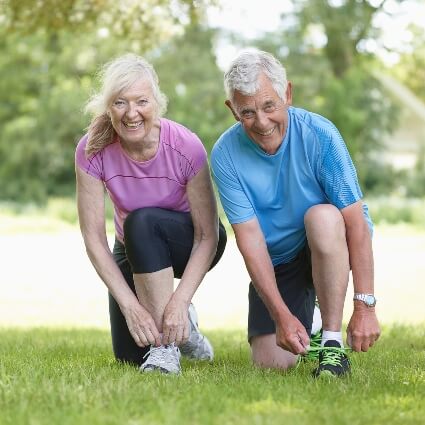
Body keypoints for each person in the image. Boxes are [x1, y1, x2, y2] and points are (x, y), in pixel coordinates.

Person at [210, 49, 380, 377]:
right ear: (232, 110)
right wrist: (280, 315)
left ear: (287, 93)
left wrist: (365, 305)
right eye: (247, 112)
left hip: (332, 240)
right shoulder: (224, 154)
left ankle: (331, 344)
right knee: (272, 362)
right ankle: (310, 319)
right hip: (280, 259)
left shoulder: (320, 134)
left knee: (322, 217)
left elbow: (356, 225)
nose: (261, 122)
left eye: (269, 105)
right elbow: (250, 240)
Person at [75, 53, 227, 375]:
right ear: (108, 107)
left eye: (141, 101)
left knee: (142, 220)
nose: (131, 113)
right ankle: (185, 332)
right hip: (131, 248)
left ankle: (166, 347)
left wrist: (179, 301)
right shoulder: (92, 149)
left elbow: (207, 235)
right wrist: (130, 307)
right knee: (130, 356)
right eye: (119, 103)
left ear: (156, 102)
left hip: (191, 244)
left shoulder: (186, 145)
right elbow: (94, 239)